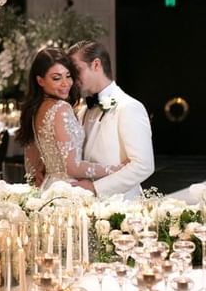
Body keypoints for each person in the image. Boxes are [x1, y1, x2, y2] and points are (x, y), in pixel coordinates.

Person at [16, 46, 127, 190]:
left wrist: (41, 170)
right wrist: (116, 170)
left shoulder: (34, 110)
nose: (65, 83)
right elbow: (72, 168)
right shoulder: (60, 109)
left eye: (68, 76)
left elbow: (31, 165)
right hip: (68, 189)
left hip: (49, 186)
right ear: (40, 81)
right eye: (56, 78)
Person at [67, 40, 155, 199]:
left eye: (77, 70)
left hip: (122, 206)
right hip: (87, 205)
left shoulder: (129, 107)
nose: (72, 78)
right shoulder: (83, 111)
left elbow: (144, 165)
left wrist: (95, 188)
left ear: (96, 65)